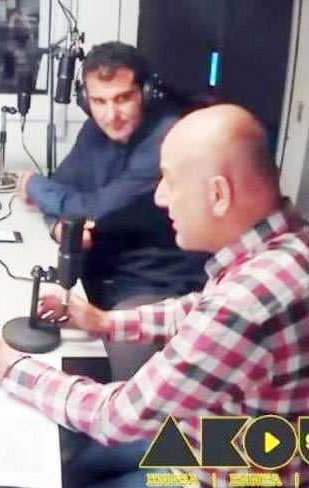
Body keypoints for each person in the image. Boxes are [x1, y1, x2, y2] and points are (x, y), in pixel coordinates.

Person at [0, 104, 309, 488]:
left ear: (218, 195)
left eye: (170, 181)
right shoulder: (289, 242)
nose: (160, 197)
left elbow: (115, 416)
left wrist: (3, 363)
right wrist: (104, 321)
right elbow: (202, 310)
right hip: (222, 440)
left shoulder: (246, 301)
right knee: (64, 458)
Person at [17, 42, 207, 312]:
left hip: (156, 288)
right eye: (99, 101)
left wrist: (34, 185)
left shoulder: (170, 138)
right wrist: (57, 224)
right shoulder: (95, 129)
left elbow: (96, 208)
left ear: (147, 93)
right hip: (100, 274)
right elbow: (61, 188)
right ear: (85, 101)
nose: (111, 116)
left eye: (122, 98)